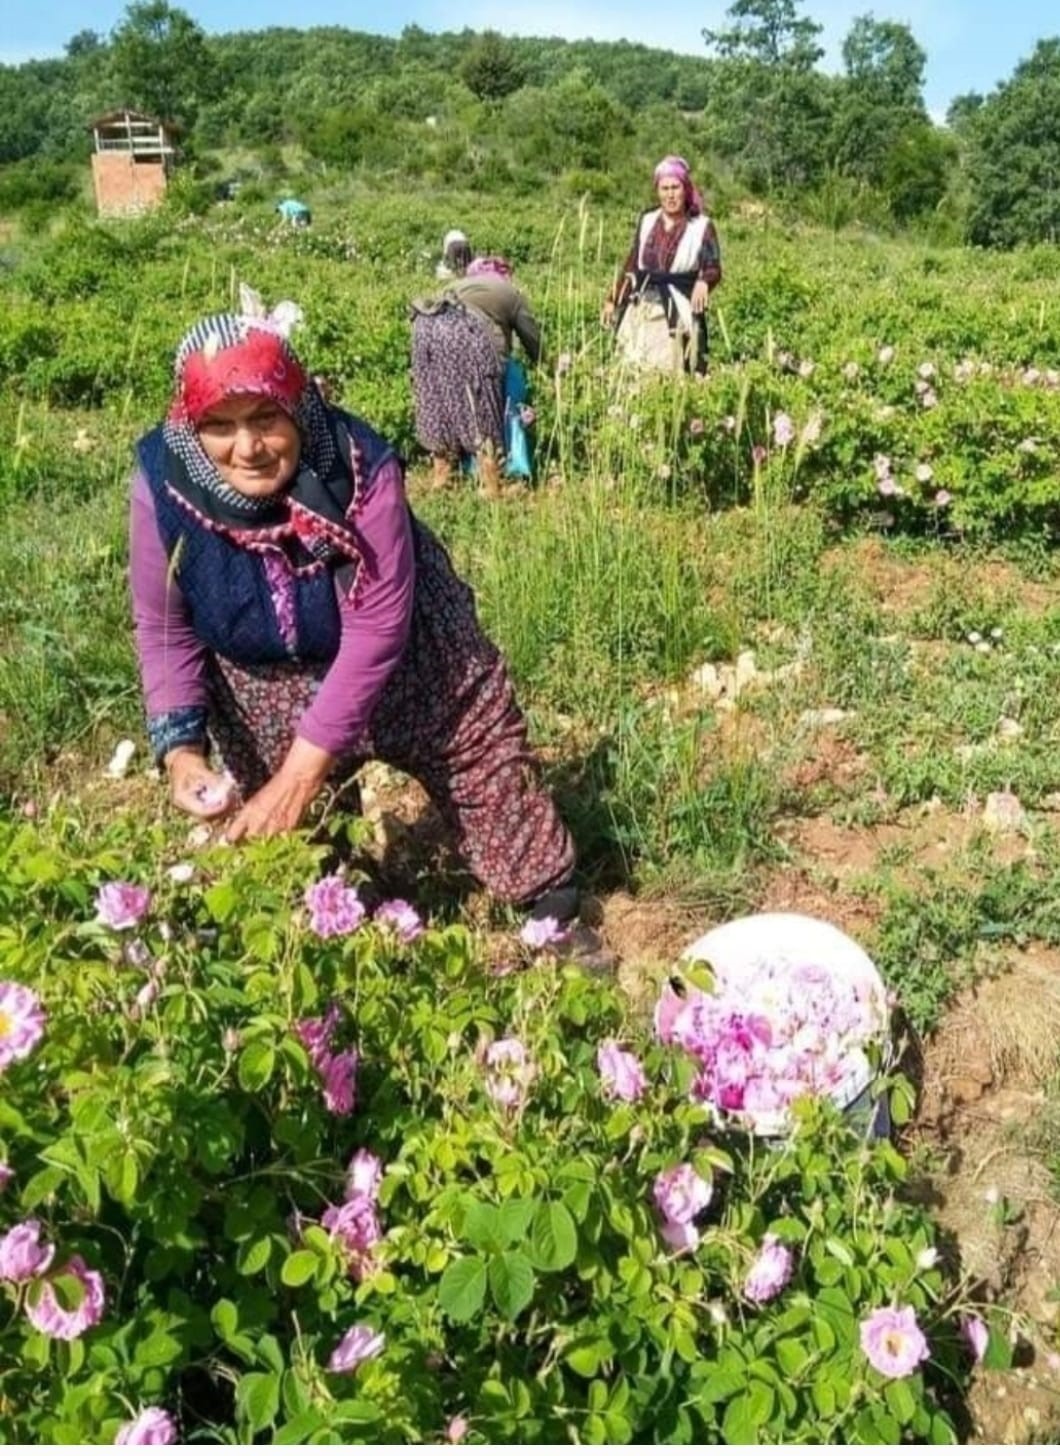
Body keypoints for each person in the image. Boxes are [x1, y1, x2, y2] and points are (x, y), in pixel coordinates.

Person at [129, 303, 605, 960]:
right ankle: (349, 921)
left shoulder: (358, 467)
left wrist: (297, 777)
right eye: (220, 425)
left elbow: (379, 626)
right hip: (264, 666)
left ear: (298, 406)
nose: (248, 447)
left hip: (411, 649)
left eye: (267, 417)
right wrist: (181, 752)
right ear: (191, 427)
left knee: (477, 748)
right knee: (300, 839)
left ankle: (549, 917)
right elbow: (163, 629)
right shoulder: (165, 485)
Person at [410, 255, 542, 497]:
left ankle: (443, 477)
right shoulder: (511, 293)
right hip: (465, 330)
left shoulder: (458, 286)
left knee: (438, 401)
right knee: (480, 404)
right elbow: (533, 340)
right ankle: (492, 486)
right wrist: (546, 364)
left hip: (424, 327)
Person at [602, 156, 721, 376]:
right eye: (664, 188)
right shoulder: (648, 219)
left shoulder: (701, 226)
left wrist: (705, 281)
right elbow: (632, 264)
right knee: (630, 368)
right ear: (657, 190)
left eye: (675, 187)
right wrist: (613, 299)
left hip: (678, 306)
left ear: (685, 188)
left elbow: (712, 264)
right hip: (642, 303)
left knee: (667, 372)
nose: (670, 194)